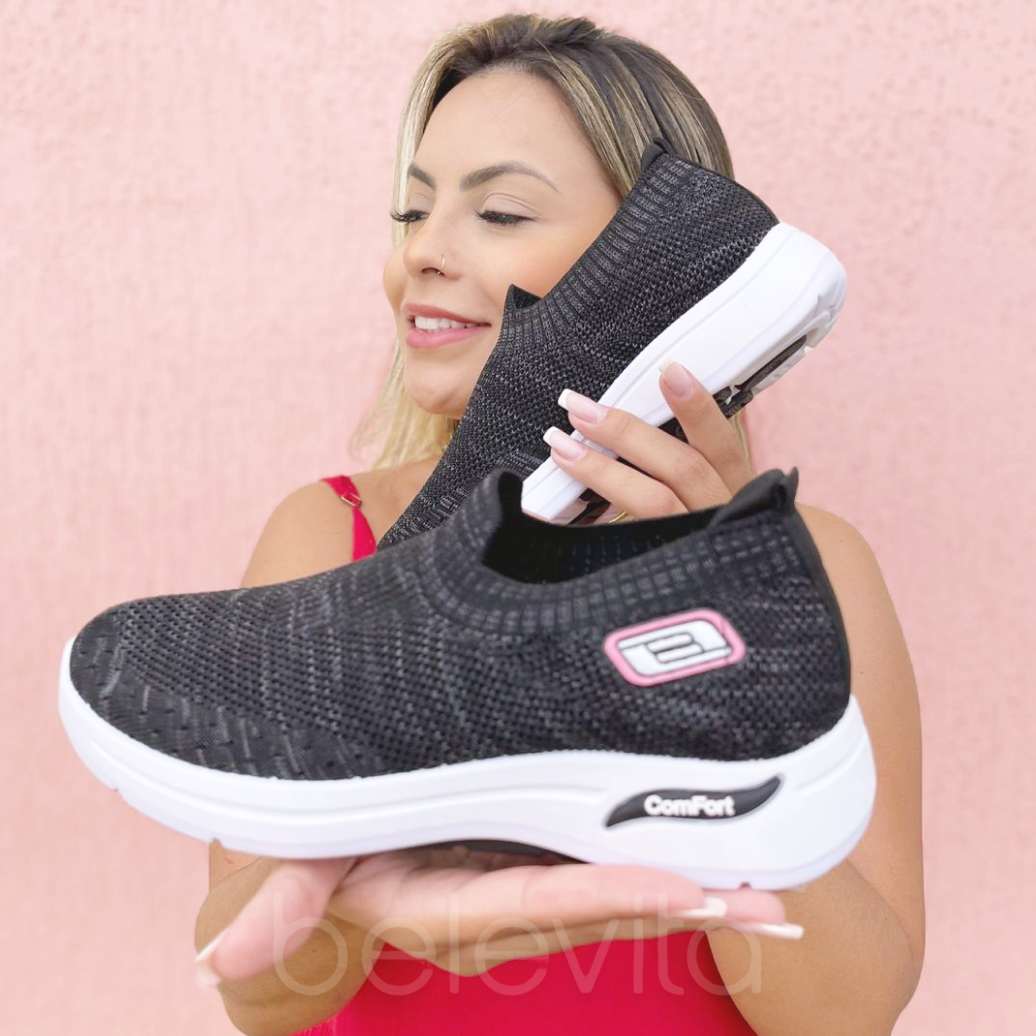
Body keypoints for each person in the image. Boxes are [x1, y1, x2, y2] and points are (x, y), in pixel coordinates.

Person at [193, 14, 924, 1036]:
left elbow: (844, 1016)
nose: (421, 254)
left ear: (659, 268)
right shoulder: (326, 537)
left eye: (497, 212)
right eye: (412, 211)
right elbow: (253, 994)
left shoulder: (818, 571)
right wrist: (366, 849)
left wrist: (716, 667)